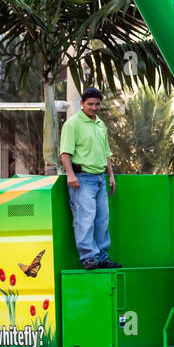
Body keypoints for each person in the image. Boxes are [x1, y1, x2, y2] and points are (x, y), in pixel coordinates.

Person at [59, 87, 120, 271]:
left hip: (100, 177)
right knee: (86, 218)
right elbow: (65, 152)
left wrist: (111, 175)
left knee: (102, 219)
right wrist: (70, 174)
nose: (94, 107)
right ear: (82, 104)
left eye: (97, 104)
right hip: (82, 178)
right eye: (90, 104)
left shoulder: (100, 124)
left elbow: (106, 153)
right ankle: (88, 257)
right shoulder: (72, 124)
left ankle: (102, 257)